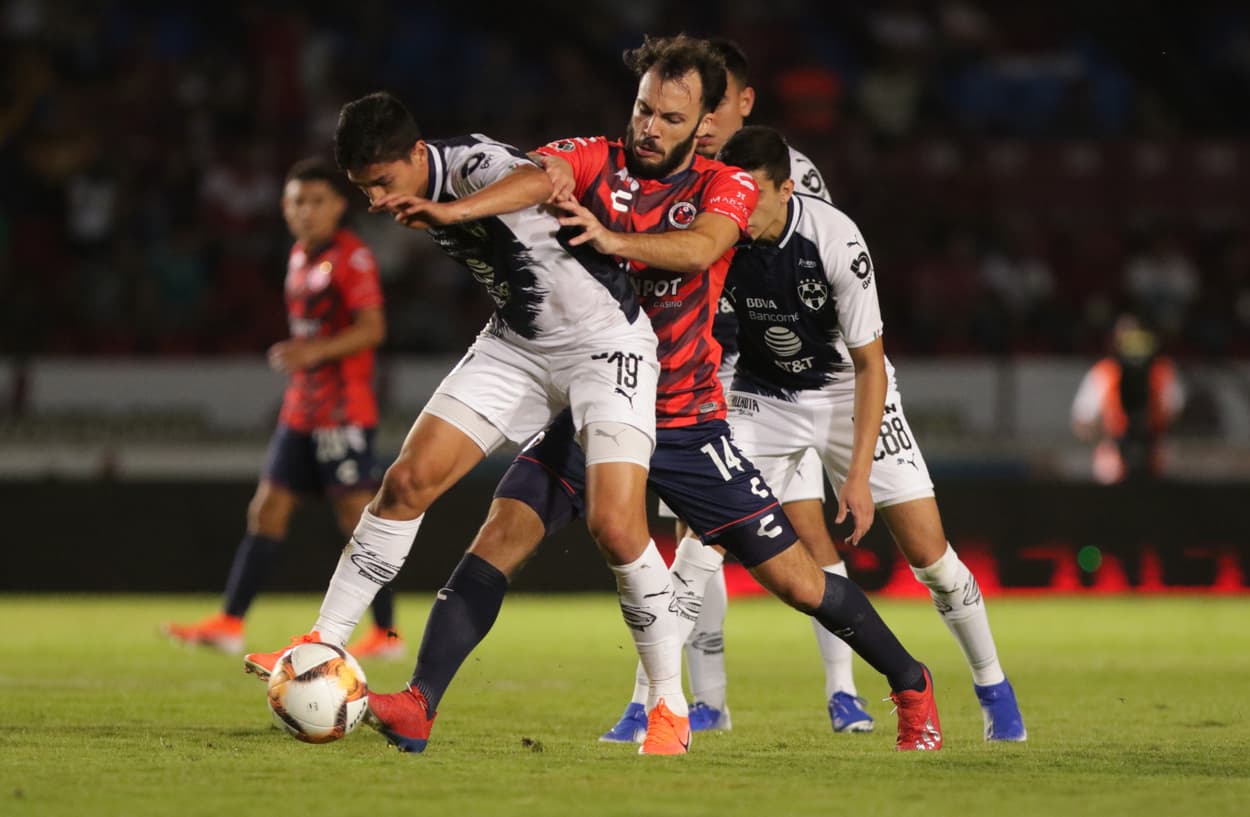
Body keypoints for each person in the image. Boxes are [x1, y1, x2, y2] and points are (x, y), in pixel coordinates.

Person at [360, 34, 943, 756]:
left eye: (670, 117)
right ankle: (420, 703)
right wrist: (462, 207)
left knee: (798, 580)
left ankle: (912, 683)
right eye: (644, 109)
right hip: (594, 406)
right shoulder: (595, 157)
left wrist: (610, 238)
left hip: (684, 422)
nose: (649, 127)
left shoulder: (723, 183)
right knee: (499, 535)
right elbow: (541, 172)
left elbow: (700, 249)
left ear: (702, 124)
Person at [241, 92, 686, 753]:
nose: (378, 202)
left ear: (418, 156)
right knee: (405, 481)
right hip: (518, 345)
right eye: (365, 190)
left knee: (619, 526)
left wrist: (446, 209)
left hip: (605, 344)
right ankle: (326, 638)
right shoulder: (412, 193)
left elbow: (543, 178)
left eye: (384, 184)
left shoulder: (470, 164)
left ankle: (670, 704)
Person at [716, 125, 1026, 741]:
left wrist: (855, 477)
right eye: (731, 196)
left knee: (930, 559)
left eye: (751, 197)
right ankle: (661, 701)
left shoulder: (835, 238)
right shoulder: (716, 228)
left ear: (785, 189)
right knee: (702, 539)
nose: (738, 211)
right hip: (761, 396)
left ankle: (993, 686)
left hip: (844, 392)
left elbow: (868, 364)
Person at [638, 37, 876, 739]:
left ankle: (843, 689)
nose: (704, 119)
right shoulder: (674, 167)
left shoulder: (792, 176)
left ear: (741, 104)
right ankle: (707, 698)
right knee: (698, 532)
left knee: (805, 530)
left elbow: (811, 273)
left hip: (784, 383)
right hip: (714, 375)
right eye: (696, 106)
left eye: (716, 105)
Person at [164, 158, 401, 660]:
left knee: (358, 517)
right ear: (284, 207)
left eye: (317, 201)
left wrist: (312, 351)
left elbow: (373, 328)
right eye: (297, 201)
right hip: (302, 410)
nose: (307, 211)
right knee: (266, 511)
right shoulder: (298, 256)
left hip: (342, 410)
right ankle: (230, 622)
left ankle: (387, 634)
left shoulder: (352, 257)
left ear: (339, 205)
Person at [1072, 312, 1184, 484]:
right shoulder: (1103, 373)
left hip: (1155, 452)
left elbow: (1178, 414)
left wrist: (1153, 426)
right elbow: (1082, 421)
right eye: (1124, 335)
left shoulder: (1164, 371)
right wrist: (1109, 436)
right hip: (1114, 457)